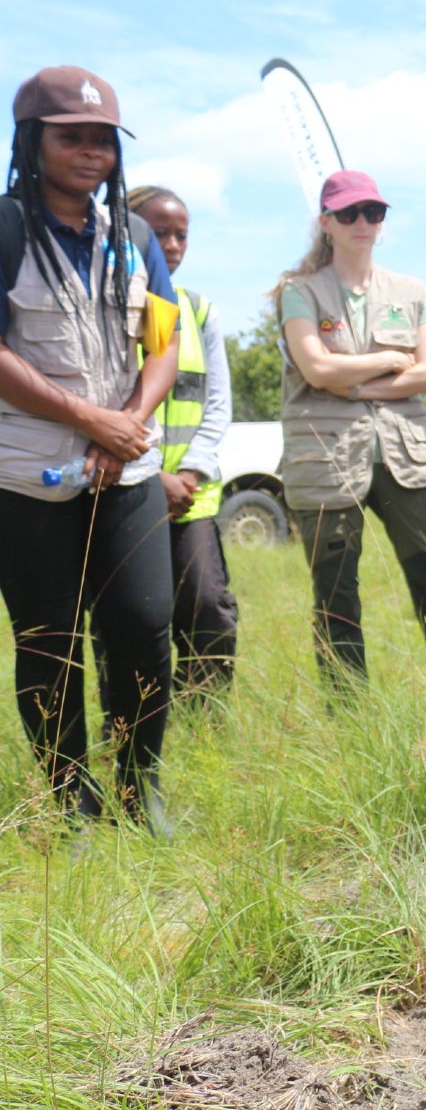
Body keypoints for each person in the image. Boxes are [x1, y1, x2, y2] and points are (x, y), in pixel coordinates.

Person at [0, 67, 179, 832]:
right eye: (69, 136)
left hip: (127, 468)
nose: (89, 151)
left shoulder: (133, 236)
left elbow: (164, 342)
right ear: (30, 141)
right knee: (49, 639)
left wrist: (128, 422)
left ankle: (140, 788)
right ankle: (69, 802)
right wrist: (89, 419)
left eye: (102, 138)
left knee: (144, 621)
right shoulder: (6, 227)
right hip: (27, 476)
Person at [277, 169, 426, 695]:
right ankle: (349, 716)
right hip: (326, 458)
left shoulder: (411, 291)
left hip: (406, 455)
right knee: (336, 595)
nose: (362, 222)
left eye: (374, 212)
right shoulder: (299, 291)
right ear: (326, 222)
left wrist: (351, 383)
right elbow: (316, 368)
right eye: (349, 213)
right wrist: (389, 360)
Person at [126, 185, 241, 698]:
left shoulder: (197, 311)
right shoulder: (109, 307)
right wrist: (155, 477)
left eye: (181, 235)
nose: (172, 245)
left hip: (192, 497)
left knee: (207, 605)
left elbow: (217, 405)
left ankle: (205, 721)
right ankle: (133, 721)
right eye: (159, 233)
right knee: (134, 613)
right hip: (129, 490)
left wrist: (189, 473)